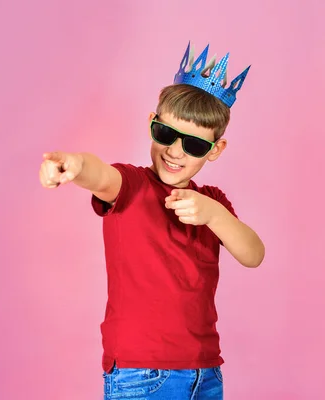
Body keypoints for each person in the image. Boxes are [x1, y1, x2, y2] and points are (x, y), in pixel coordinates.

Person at [38, 42, 265, 399]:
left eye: (193, 146)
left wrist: (214, 214)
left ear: (215, 150)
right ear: (152, 124)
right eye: (165, 134)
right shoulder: (133, 186)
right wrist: (76, 165)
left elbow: (253, 254)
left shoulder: (214, 203)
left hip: (206, 373)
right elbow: (101, 175)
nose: (175, 151)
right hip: (142, 375)